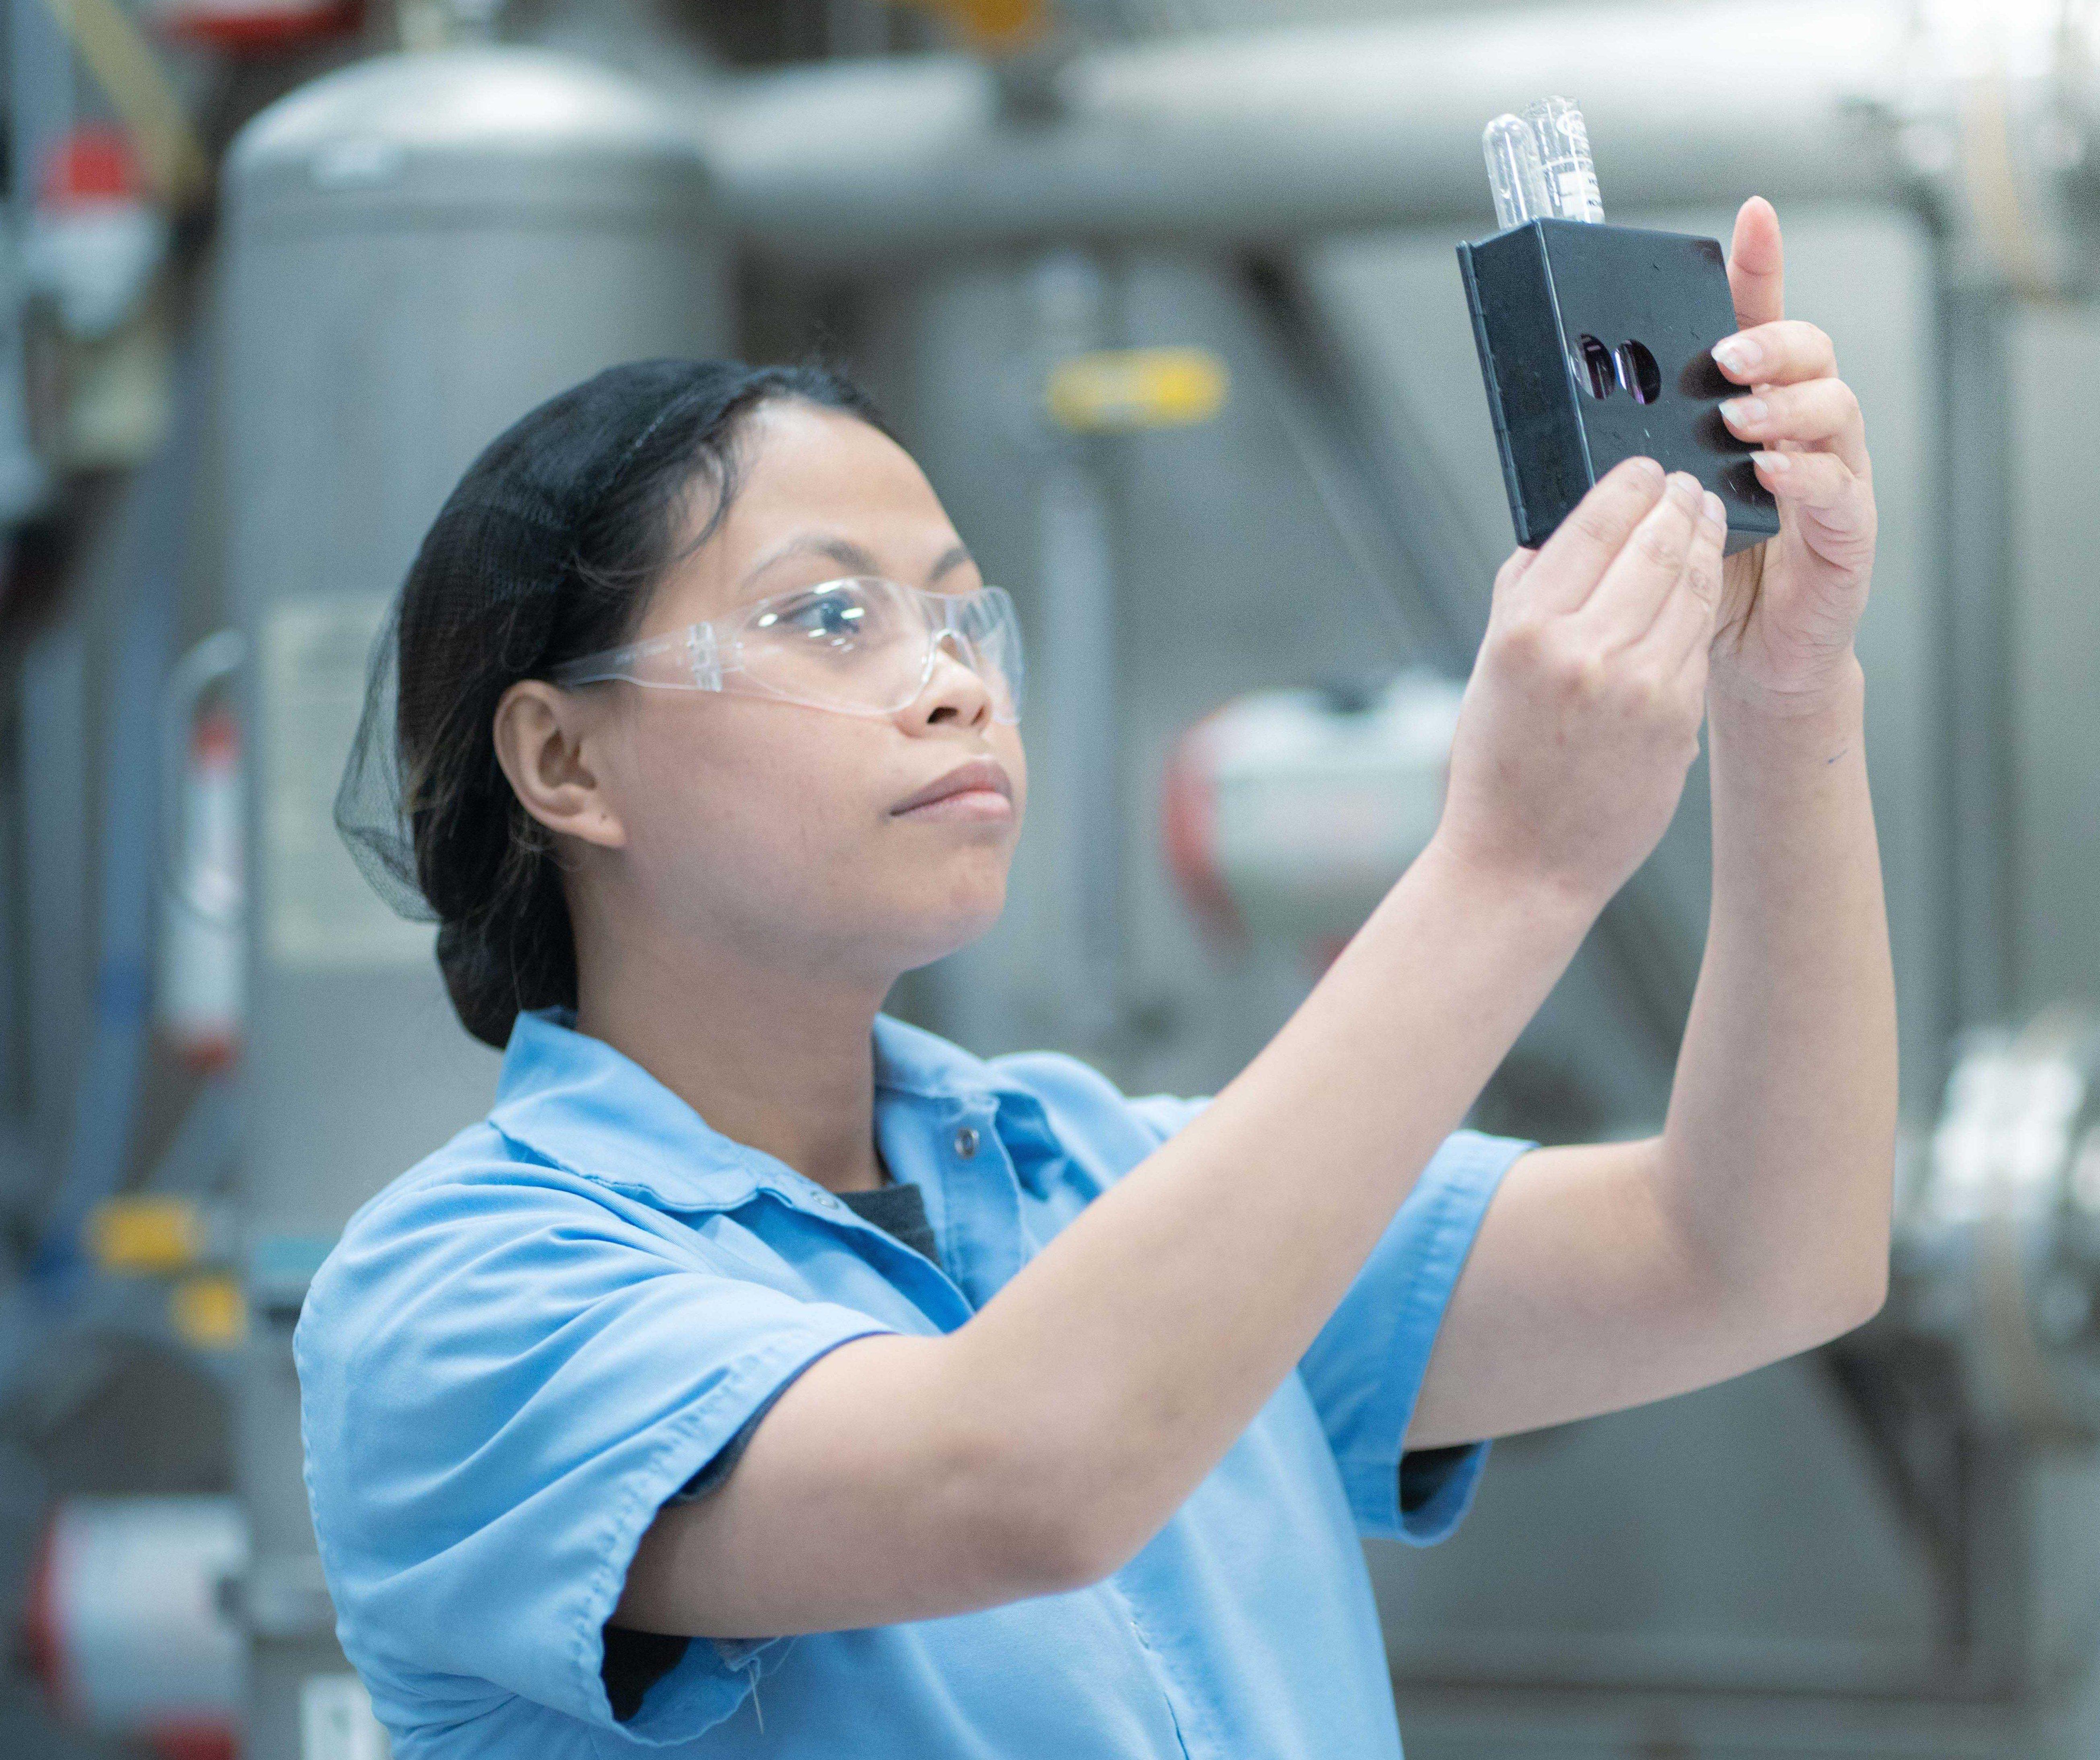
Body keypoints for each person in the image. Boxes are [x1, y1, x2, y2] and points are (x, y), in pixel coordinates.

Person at [300, 197, 1892, 1758]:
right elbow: (1013, 1479)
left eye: (957, 610)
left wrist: (1785, 688)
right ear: (564, 758)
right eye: (830, 613)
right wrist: (1509, 869)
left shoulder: (1101, 1174)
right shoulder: (459, 1303)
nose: (949, 680)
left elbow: (1754, 1251)